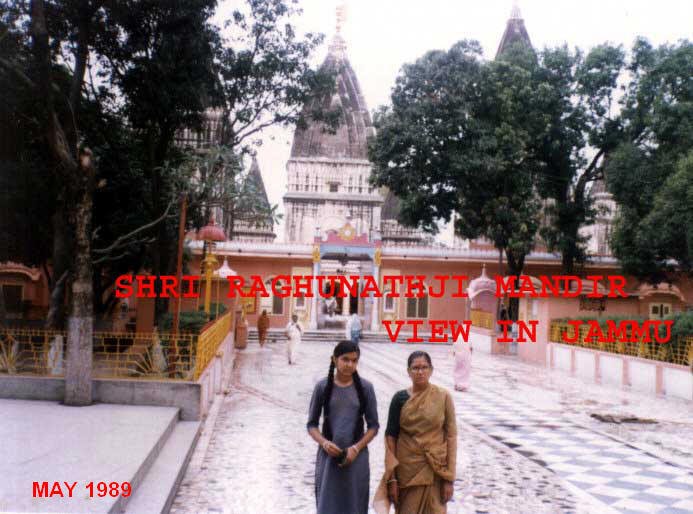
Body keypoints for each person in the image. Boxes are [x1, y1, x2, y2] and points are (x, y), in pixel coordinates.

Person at [374, 351, 457, 514]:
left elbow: (451, 436)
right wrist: (392, 478)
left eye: (424, 367)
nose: (420, 372)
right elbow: (391, 438)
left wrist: (449, 478)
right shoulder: (399, 399)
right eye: (415, 368)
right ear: (408, 371)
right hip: (407, 471)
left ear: (431, 370)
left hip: (436, 471)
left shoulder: (443, 397)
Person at [307, 341, 379, 514]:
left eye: (354, 361)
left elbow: (373, 426)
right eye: (345, 359)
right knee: (328, 504)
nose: (349, 365)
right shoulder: (322, 387)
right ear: (334, 359)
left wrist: (356, 448)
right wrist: (324, 443)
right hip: (328, 457)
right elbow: (312, 425)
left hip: (357, 458)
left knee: (354, 505)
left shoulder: (366, 388)